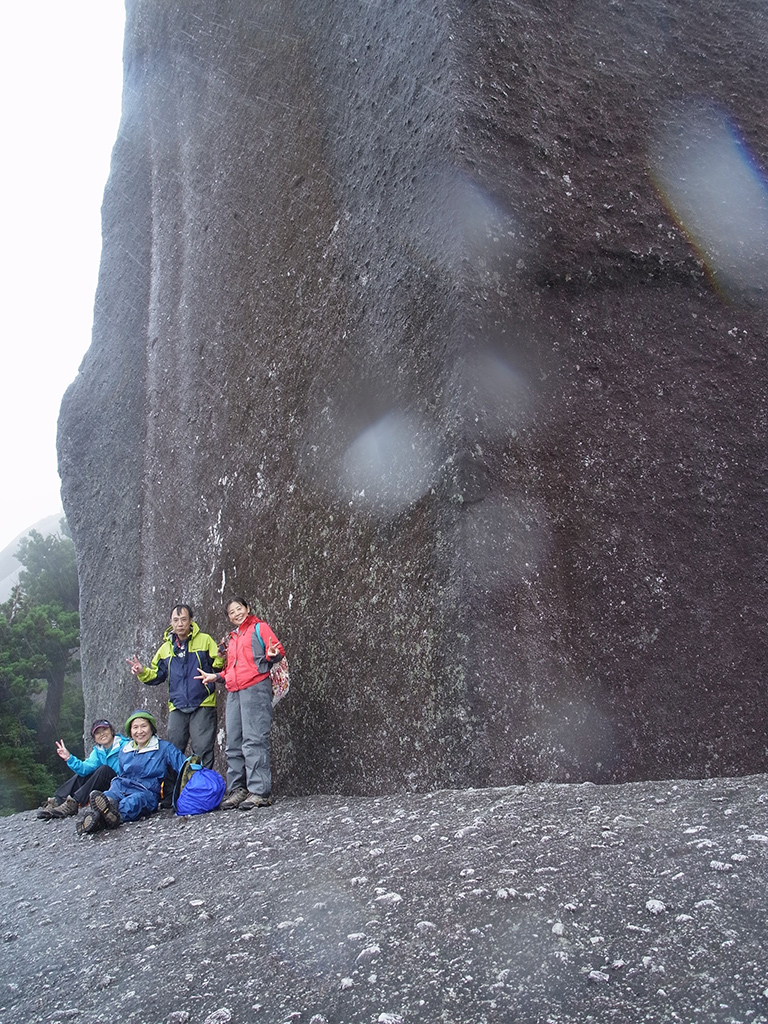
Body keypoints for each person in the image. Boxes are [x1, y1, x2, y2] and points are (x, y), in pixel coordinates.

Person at [196, 597, 284, 811]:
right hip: (234, 690)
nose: (236, 614)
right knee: (233, 742)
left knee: (254, 739)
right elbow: (231, 669)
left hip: (255, 687)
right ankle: (238, 789)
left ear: (248, 608)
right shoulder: (232, 638)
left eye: (239, 609)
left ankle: (259, 791)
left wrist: (273, 655)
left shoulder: (259, 627)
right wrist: (215, 676)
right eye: (231, 612)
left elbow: (277, 651)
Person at [126, 603, 224, 769]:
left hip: (203, 702)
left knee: (202, 749)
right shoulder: (166, 648)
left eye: (184, 619)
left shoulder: (205, 641)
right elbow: (157, 675)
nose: (180, 624)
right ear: (171, 622)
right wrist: (142, 671)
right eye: (176, 620)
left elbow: (218, 668)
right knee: (173, 748)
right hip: (177, 705)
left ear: (191, 621)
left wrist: (221, 657)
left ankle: (203, 791)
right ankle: (173, 792)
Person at [77, 710, 189, 835]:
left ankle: (103, 820)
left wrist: (198, 772)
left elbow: (183, 764)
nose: (139, 731)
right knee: (107, 797)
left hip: (146, 791)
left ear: (151, 728)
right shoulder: (125, 749)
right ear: (130, 731)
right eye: (135, 727)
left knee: (131, 803)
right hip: (121, 787)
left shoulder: (163, 747)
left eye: (144, 726)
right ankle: (104, 816)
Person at [37, 720, 128, 820]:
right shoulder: (98, 751)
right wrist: (69, 758)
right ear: (94, 738)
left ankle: (74, 802)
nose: (102, 734)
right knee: (84, 774)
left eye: (104, 730)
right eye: (97, 733)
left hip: (121, 784)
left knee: (104, 770)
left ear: (111, 730)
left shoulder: (124, 746)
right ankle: (58, 800)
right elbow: (84, 769)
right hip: (107, 786)